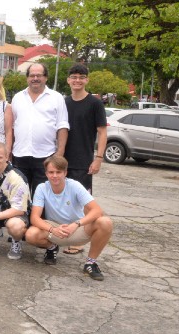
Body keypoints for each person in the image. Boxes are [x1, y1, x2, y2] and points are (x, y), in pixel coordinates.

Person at [25, 155, 114, 281]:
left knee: (105, 222)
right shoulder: (42, 188)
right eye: (51, 172)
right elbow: (34, 218)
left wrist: (76, 224)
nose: (54, 176)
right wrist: (52, 229)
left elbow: (97, 210)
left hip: (77, 228)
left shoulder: (75, 185)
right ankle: (51, 248)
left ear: (65, 173)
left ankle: (90, 263)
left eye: (58, 172)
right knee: (31, 234)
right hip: (55, 228)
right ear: (46, 173)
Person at [61, 64, 108, 255]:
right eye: (74, 77)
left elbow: (102, 132)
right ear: (68, 80)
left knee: (84, 202)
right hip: (62, 160)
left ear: (87, 79)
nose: (77, 80)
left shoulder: (95, 103)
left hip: (84, 160)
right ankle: (64, 235)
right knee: (65, 200)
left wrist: (98, 158)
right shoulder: (64, 102)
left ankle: (81, 240)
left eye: (81, 77)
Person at [11, 63, 69, 197]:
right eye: (32, 75)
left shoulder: (56, 98)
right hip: (20, 155)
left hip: (46, 156)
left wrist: (59, 154)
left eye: (39, 75)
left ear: (46, 77)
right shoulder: (18, 98)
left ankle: (39, 218)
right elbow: (13, 126)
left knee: (41, 197)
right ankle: (21, 218)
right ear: (27, 78)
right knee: (19, 196)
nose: (35, 78)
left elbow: (62, 126)